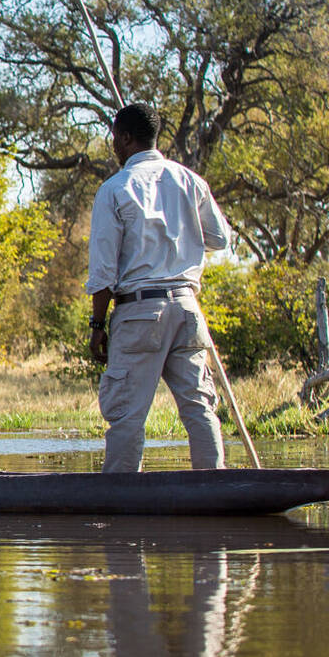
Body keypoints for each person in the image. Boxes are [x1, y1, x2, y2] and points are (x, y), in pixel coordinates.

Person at [87, 102, 232, 473]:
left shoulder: (114, 189)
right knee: (199, 407)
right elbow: (219, 239)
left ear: (126, 138)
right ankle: (213, 488)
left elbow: (103, 270)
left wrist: (97, 326)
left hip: (138, 313)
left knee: (126, 415)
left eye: (115, 138)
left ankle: (118, 498)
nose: (113, 145)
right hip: (187, 309)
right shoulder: (189, 180)